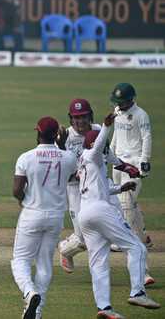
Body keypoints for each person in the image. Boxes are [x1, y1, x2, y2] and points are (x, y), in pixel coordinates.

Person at [77, 113, 160, 318]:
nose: (106, 151)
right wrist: (106, 127)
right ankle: (138, 292)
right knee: (137, 247)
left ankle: (104, 308)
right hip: (100, 210)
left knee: (98, 263)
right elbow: (98, 148)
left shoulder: (88, 163)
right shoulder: (92, 155)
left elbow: (103, 187)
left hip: (85, 215)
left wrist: (122, 187)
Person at [57, 99, 142, 275]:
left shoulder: (97, 131)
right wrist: (59, 146)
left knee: (117, 222)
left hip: (99, 184)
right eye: (76, 118)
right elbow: (58, 166)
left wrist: (126, 166)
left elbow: (107, 155)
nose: (80, 122)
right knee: (82, 237)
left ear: (90, 116)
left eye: (83, 117)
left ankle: (141, 268)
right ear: (71, 119)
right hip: (75, 189)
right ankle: (65, 250)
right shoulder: (65, 136)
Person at [11, 116, 78, 319]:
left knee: (20, 260)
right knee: (44, 263)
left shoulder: (26, 157)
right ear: (57, 134)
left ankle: (30, 293)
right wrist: (61, 146)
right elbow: (71, 177)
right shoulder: (68, 158)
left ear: (38, 132)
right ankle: (36, 313)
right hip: (55, 216)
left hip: (32, 213)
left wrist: (24, 199)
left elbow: (16, 190)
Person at [109, 82, 155, 285]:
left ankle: (143, 271)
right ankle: (143, 234)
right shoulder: (117, 111)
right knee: (123, 205)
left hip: (134, 164)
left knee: (127, 207)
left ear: (131, 99)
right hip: (118, 162)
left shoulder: (141, 115)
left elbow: (147, 137)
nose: (119, 105)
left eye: (122, 102)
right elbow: (116, 137)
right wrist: (107, 154)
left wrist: (144, 160)